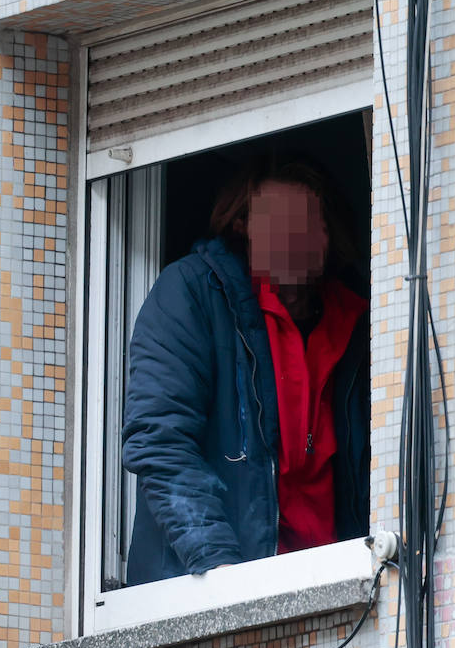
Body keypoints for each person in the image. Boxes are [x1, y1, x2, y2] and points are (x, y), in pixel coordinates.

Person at [121, 157, 370, 585]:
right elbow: (160, 444)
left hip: (336, 596)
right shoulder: (191, 295)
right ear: (242, 225)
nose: (302, 236)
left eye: (313, 222)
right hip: (219, 595)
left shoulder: (359, 327)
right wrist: (222, 573)